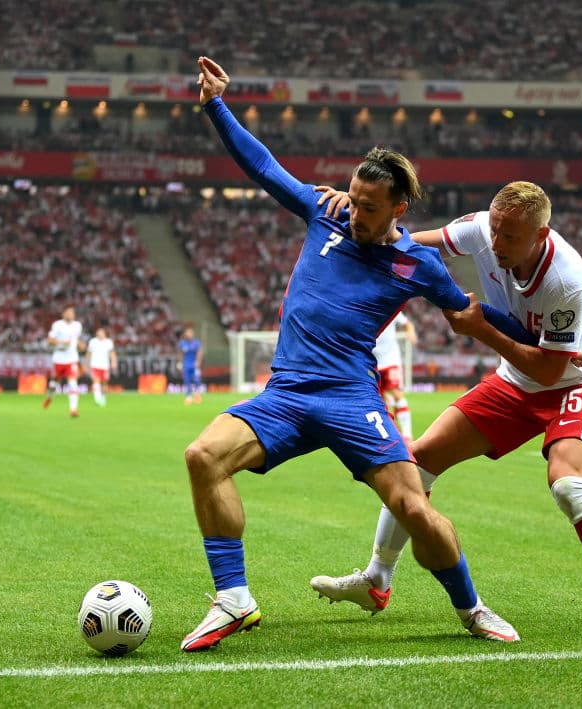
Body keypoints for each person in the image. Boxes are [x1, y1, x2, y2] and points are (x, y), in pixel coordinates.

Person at [179, 56, 537, 653]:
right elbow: (264, 167)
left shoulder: (417, 264)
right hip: (288, 394)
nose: (356, 212)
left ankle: (472, 608)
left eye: (370, 207)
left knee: (414, 509)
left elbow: (472, 311)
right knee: (202, 456)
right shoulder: (326, 212)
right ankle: (233, 599)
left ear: (399, 210)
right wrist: (216, 104)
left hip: (351, 399)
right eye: (353, 198)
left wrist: (540, 338)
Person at [311, 181, 582, 637]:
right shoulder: (482, 230)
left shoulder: (566, 278)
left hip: (575, 381)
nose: (496, 244)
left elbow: (551, 372)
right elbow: (407, 242)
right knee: (416, 464)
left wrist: (480, 330)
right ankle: (377, 579)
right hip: (517, 381)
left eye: (510, 236)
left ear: (541, 235)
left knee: (569, 486)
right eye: (494, 230)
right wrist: (362, 214)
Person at [373, 311, 417, 440]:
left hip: (391, 360)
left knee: (397, 394)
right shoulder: (366, 309)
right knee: (382, 400)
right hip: (374, 362)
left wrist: (410, 331)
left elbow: (407, 323)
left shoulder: (390, 307)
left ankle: (408, 436)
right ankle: (391, 435)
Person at [43, 305, 84, 417]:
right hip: (59, 359)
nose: (71, 314)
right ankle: (50, 396)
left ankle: (73, 409)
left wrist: (80, 344)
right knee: (53, 383)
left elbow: (75, 338)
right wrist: (62, 342)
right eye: (69, 312)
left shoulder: (78, 326)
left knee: (73, 383)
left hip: (72, 359)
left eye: (72, 313)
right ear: (64, 314)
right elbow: (50, 340)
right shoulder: (57, 325)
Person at [86, 327, 117, 407]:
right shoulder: (93, 341)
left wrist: (113, 362)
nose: (100, 334)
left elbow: (112, 353)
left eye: (101, 333)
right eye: (98, 333)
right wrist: (86, 363)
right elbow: (88, 353)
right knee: (96, 381)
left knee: (104, 383)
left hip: (105, 365)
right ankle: (97, 399)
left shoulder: (108, 342)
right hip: (95, 365)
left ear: (104, 334)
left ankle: (103, 397)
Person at [177, 326, 203, 405]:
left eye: (191, 333)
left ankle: (197, 394)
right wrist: (180, 363)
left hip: (194, 364)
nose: (189, 334)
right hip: (186, 364)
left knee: (196, 380)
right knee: (187, 381)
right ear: (185, 334)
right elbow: (180, 354)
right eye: (188, 333)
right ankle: (188, 397)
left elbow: (199, 352)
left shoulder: (196, 343)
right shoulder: (182, 343)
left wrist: (198, 362)